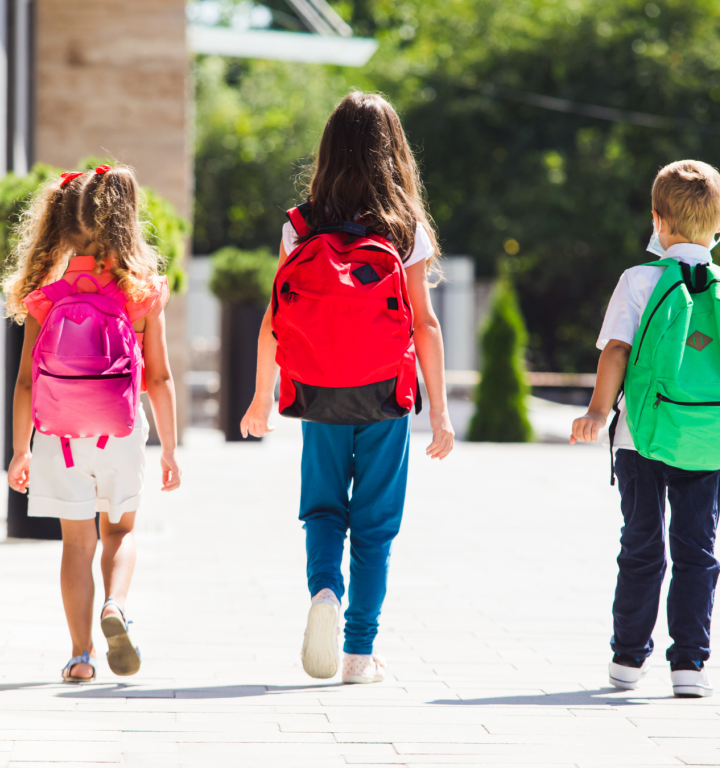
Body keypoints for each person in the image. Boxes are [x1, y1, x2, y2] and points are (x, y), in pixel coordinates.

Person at [239, 91, 456, 685]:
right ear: (395, 154)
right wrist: (440, 412)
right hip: (387, 392)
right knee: (376, 521)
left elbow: (273, 319)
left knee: (324, 509)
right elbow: (425, 324)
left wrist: (263, 397)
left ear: (328, 151)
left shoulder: (298, 225)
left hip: (316, 391)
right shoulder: (403, 227)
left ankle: (325, 590)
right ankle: (359, 653)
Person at [571, 160, 720, 698]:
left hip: (641, 438)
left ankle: (626, 660)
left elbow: (616, 350)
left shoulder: (639, 280)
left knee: (642, 547)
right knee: (696, 549)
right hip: (709, 440)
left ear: (657, 220)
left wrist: (597, 411)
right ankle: (689, 665)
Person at [3, 164, 182, 683]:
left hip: (58, 438)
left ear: (59, 227)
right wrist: (169, 448)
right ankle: (116, 607)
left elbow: (25, 383)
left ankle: (80, 657)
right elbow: (161, 378)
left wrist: (21, 452)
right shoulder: (142, 292)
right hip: (121, 433)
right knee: (120, 532)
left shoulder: (46, 296)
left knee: (76, 545)